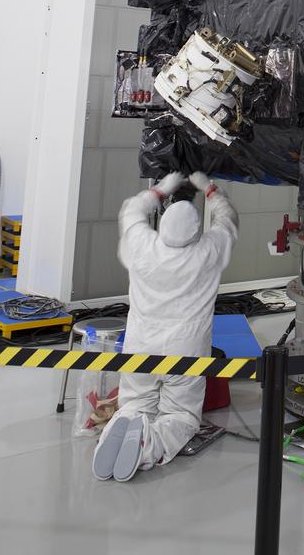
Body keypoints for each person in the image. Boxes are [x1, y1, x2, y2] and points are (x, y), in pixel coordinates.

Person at [92, 170, 238, 482]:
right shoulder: (206, 252)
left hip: (140, 345)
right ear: (196, 230)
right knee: (180, 415)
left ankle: (123, 426)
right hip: (185, 350)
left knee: (135, 404)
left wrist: (161, 189)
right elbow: (227, 221)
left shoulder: (143, 246)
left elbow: (131, 211)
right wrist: (209, 188)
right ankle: (148, 445)